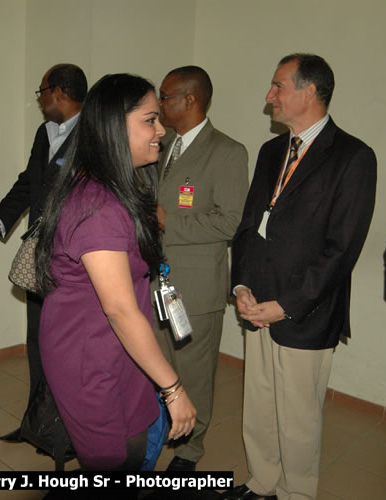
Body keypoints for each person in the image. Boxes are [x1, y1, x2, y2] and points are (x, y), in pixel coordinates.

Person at [226, 54, 377, 500]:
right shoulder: (272, 151)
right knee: (258, 407)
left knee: (298, 417)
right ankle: (262, 481)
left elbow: (342, 249)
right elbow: (250, 225)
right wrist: (241, 287)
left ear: (309, 91)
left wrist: (287, 304)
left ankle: (297, 493)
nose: (269, 96)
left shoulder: (352, 156)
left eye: (278, 86)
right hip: (258, 303)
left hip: (305, 310)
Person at [34, 73, 197, 471]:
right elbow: (120, 310)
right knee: (112, 464)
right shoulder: (98, 203)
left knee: (134, 446)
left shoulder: (122, 187)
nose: (161, 130)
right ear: (113, 127)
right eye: (149, 120)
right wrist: (174, 389)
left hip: (117, 347)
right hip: (90, 355)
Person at [0, 63, 87, 443]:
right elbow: (29, 183)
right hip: (40, 258)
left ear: (58, 91)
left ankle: (73, 430)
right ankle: (37, 421)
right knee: (38, 341)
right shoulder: (44, 133)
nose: (40, 100)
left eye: (41, 91)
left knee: (71, 349)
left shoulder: (96, 134)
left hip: (77, 263)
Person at [153, 65, 249, 472]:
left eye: (166, 96)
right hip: (156, 281)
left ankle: (191, 450)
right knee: (158, 367)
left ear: (189, 100)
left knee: (194, 371)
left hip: (196, 287)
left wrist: (167, 221)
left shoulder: (227, 151)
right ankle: (160, 432)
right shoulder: (164, 145)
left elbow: (230, 222)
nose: (160, 105)